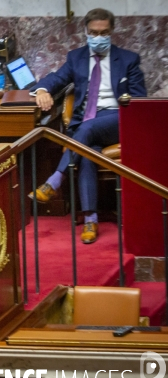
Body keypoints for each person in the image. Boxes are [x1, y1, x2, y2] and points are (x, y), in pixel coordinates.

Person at [29, 8, 146, 244]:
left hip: (117, 119)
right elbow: (57, 78)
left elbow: (139, 98)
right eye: (94, 32)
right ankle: (91, 220)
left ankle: (55, 180)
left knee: (87, 129)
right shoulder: (77, 58)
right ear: (86, 32)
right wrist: (42, 90)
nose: (99, 37)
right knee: (87, 152)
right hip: (86, 123)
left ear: (111, 32)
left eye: (104, 32)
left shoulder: (128, 59)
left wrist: (128, 104)